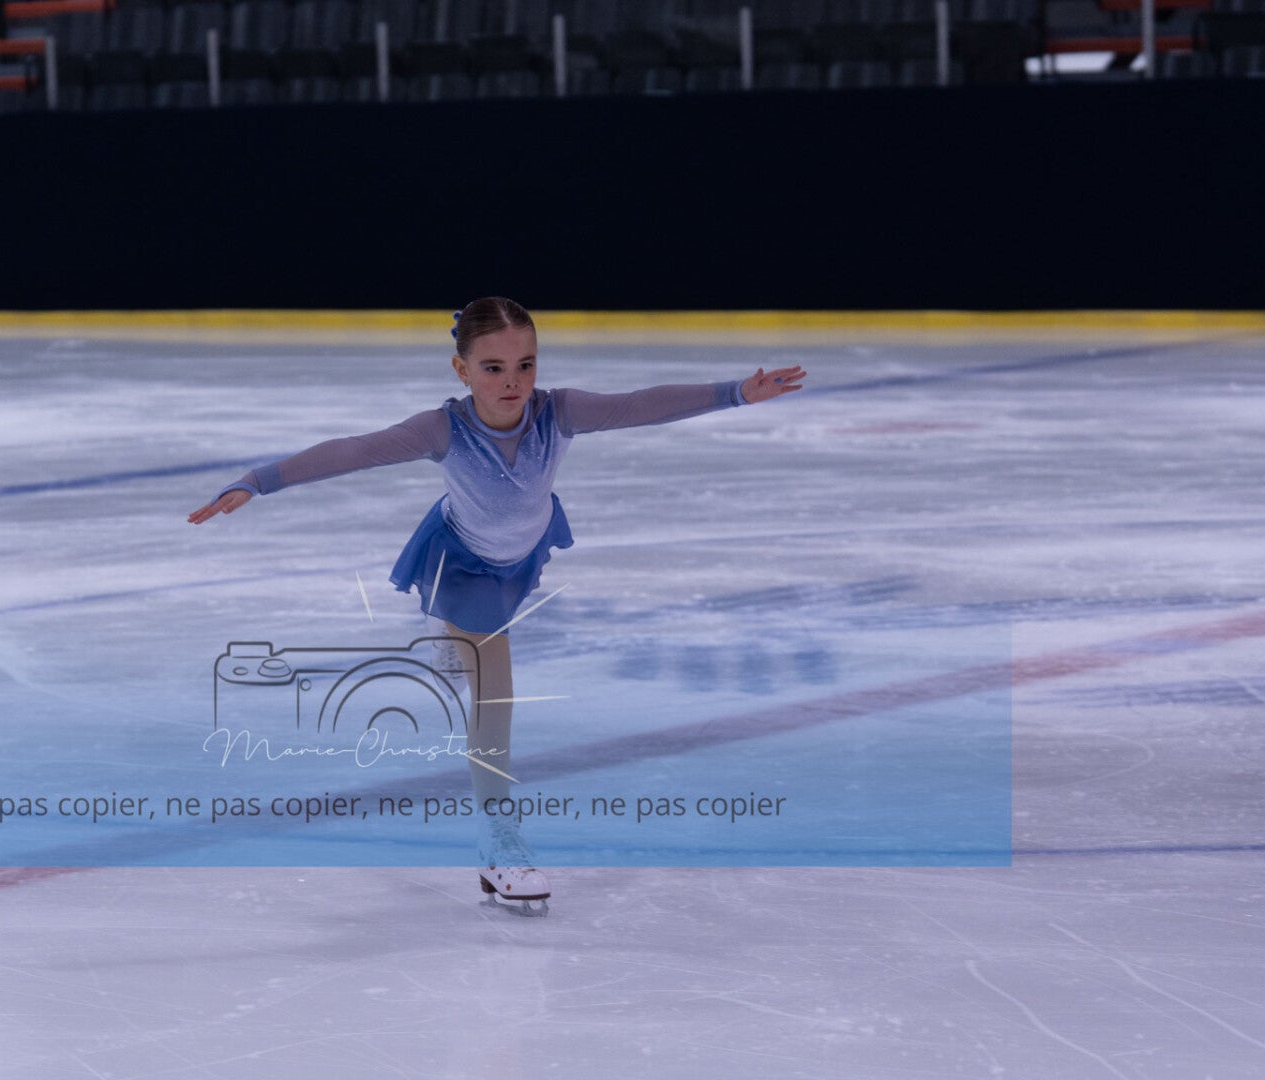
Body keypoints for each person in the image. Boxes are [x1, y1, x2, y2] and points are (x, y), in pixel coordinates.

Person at [188, 297, 806, 914]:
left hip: (520, 555)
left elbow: (639, 405)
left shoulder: (557, 413)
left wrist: (736, 393)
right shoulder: (443, 429)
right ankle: (500, 842)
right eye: (493, 368)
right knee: (496, 701)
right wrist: (257, 480)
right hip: (463, 565)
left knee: (479, 666)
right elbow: (355, 450)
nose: (513, 382)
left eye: (525, 365)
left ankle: (446, 634)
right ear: (461, 370)